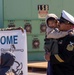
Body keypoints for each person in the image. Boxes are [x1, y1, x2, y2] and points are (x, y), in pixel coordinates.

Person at [51, 10, 74, 75]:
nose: (58, 23)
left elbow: (66, 57)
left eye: (61, 22)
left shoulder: (71, 38)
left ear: (69, 25)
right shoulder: (61, 35)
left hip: (66, 72)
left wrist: (50, 57)